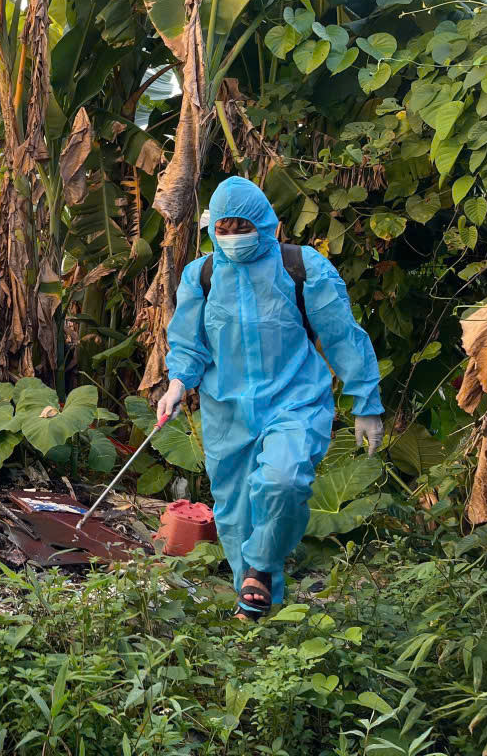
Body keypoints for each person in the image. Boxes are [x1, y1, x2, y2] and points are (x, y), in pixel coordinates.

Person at [158, 176, 384, 621]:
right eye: (223, 228)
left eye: (242, 227)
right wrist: (177, 384)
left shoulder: (302, 267)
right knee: (236, 512)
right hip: (226, 411)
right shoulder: (201, 275)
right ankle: (254, 611)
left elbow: (342, 335)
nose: (232, 237)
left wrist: (367, 402)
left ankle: (260, 569)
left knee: (283, 481)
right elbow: (188, 343)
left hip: (294, 401)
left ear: (265, 225)